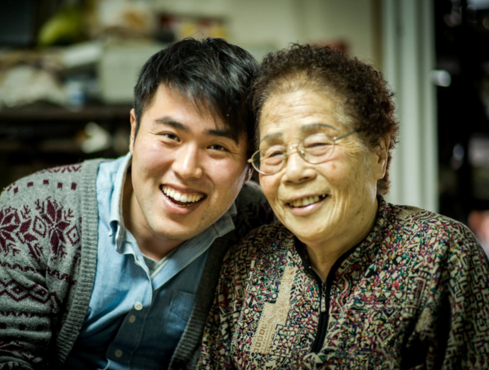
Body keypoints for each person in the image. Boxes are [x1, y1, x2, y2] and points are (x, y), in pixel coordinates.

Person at [0, 37, 274, 369]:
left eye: (217, 147)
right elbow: (6, 358)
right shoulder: (33, 209)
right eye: (170, 136)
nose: (187, 169)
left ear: (249, 165)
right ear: (134, 131)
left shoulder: (261, 224)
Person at [198, 44, 489, 369]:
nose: (294, 172)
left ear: (378, 154)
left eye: (318, 144)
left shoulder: (439, 255)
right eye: (274, 153)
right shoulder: (247, 263)